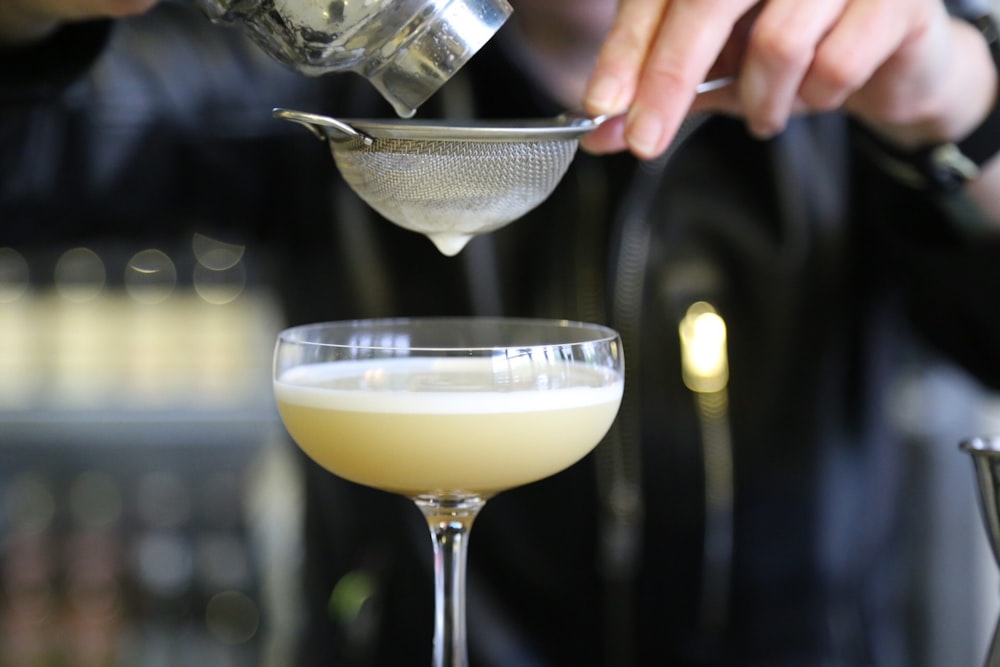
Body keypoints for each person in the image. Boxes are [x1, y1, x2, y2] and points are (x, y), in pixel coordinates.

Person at [2, 0, 1000, 665]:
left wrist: (963, 110)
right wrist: (29, 21)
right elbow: (40, 151)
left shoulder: (848, 86)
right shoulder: (328, 60)